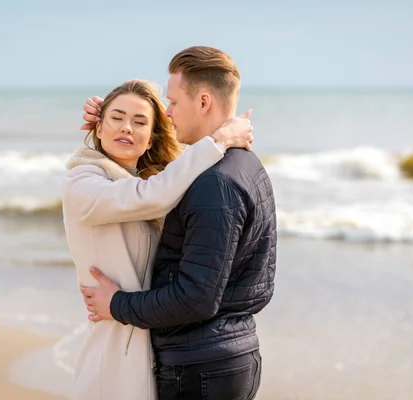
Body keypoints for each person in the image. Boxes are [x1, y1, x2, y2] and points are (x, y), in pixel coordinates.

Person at [80, 46, 277, 400]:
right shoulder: (245, 164)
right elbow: (153, 185)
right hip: (229, 354)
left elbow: (195, 300)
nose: (168, 113)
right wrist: (109, 127)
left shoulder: (214, 182)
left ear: (203, 102)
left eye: (172, 102)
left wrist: (117, 305)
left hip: (200, 369)